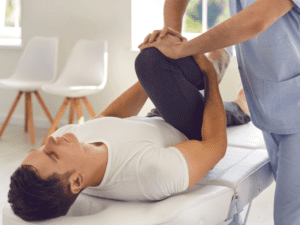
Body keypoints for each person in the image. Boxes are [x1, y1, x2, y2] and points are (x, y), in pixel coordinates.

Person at [139, 0, 300, 224]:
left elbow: (254, 20)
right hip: (266, 107)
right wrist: (172, 35)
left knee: (289, 215)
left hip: (296, 110)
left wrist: (183, 51)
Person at [8, 35, 250, 222]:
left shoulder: (69, 144)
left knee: (151, 62)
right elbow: (214, 147)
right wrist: (207, 74)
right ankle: (226, 76)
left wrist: (150, 82)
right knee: (152, 61)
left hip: (156, 118)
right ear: (76, 182)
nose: (50, 140)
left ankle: (228, 78)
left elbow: (109, 118)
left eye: (40, 148)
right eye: (52, 155)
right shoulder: (147, 174)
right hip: (192, 129)